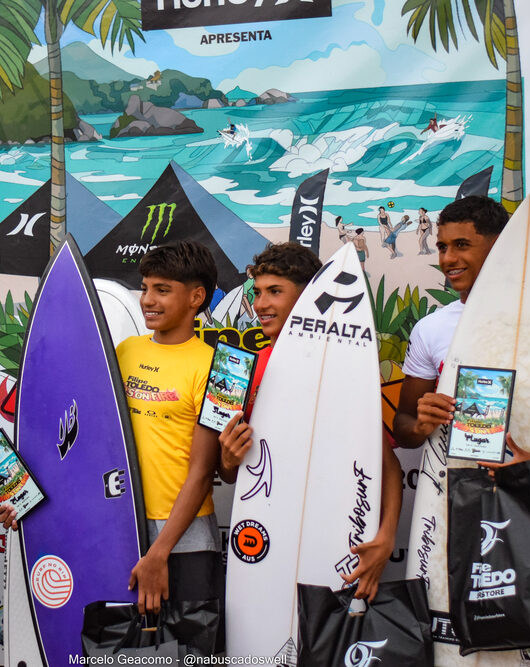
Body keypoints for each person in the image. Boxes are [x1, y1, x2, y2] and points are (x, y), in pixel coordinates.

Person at [217, 242, 403, 601]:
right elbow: (228, 475)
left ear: (308, 297)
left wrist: (386, 537)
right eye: (257, 293)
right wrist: (227, 457)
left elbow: (386, 464)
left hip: (333, 533)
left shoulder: (348, 368)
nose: (260, 305)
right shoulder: (243, 368)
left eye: (274, 292)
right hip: (267, 535)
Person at [117, 240, 220, 617]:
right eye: (145, 288)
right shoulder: (125, 351)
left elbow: (202, 470)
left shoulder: (218, 367)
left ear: (196, 297)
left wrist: (159, 551)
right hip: (121, 525)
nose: (148, 299)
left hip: (186, 537)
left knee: (189, 654)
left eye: (162, 290)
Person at [393, 196, 511, 448]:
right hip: (453, 483)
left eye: (461, 244)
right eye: (442, 247)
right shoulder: (430, 329)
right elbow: (404, 425)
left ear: (500, 246)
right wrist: (420, 426)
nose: (447, 259)